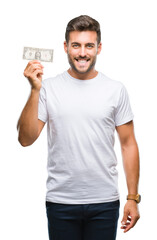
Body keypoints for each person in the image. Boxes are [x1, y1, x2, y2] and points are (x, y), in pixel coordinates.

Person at [17, 15, 140, 240]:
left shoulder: (115, 89)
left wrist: (133, 197)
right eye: (76, 45)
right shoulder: (48, 88)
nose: (82, 53)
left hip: (104, 202)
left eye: (88, 46)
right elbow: (25, 139)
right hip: (61, 202)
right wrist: (34, 90)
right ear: (66, 47)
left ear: (98, 48)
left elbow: (128, 143)